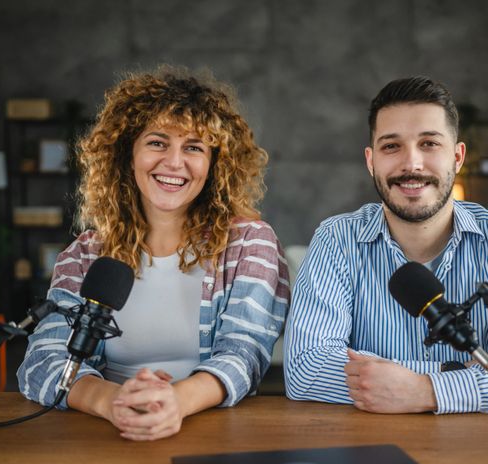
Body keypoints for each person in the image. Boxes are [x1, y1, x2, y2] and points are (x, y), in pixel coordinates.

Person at [284, 76, 488, 414]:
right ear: (371, 161)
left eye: (429, 144)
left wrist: (426, 390)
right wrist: (456, 375)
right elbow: (306, 369)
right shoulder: (336, 240)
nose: (411, 164)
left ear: (457, 157)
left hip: (485, 454)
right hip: (369, 452)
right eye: (391, 146)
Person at [18, 66, 290, 440]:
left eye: (193, 147)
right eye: (158, 142)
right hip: (103, 433)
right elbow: (42, 362)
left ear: (214, 165)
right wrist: (112, 402)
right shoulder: (83, 255)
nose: (174, 162)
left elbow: (245, 354)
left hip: (213, 433)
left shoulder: (248, 243)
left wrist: (173, 402)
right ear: (128, 155)